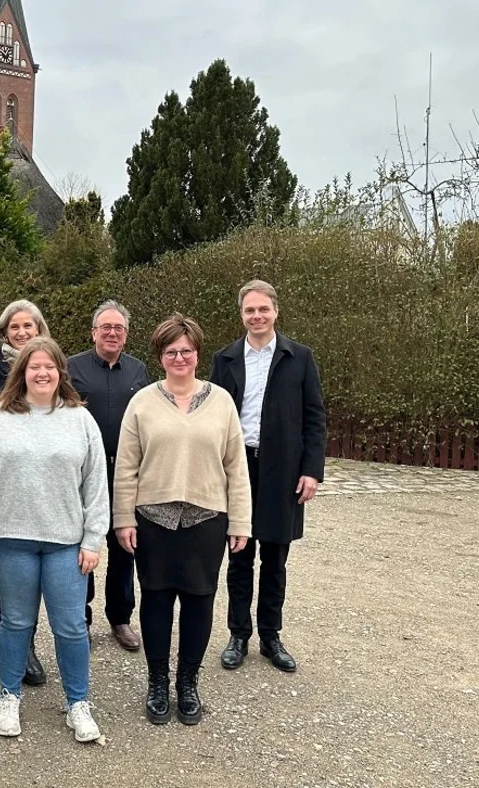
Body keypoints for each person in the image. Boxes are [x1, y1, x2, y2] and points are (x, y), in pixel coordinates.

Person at [113, 314, 252, 726]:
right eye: (171, 351)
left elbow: (236, 467)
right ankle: (157, 682)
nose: (180, 357)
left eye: (186, 350)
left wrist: (240, 521)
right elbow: (126, 467)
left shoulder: (222, 401)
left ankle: (188, 683)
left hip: (206, 519)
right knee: (155, 601)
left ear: (197, 353)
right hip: (152, 518)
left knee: (198, 602)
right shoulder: (142, 403)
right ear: (161, 355)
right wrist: (124, 518)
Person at [0, 337, 109, 743]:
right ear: (22, 372)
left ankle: (78, 702)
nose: (42, 373)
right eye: (34, 367)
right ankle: (9, 695)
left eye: (50, 367)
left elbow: (96, 484)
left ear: (60, 372)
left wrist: (93, 538)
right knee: (15, 622)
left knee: (70, 626)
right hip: (11, 539)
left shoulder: (80, 419)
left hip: (66, 541)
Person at [211, 280, 327, 674]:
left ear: (276, 311)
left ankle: (270, 636)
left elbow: (315, 417)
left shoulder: (300, 358)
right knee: (239, 555)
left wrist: (312, 470)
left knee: (275, 558)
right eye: (249, 310)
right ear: (241, 314)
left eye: (263, 309)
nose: (256, 316)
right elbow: (212, 419)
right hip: (238, 467)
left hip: (283, 469)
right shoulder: (224, 359)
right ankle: (238, 634)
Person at [0, 299, 50, 686]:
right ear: (4, 332)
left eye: (28, 327)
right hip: (5, 486)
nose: (22, 333)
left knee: (34, 578)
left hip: (41, 489)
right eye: (15, 327)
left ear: (39, 330)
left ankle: (29, 647)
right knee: (2, 576)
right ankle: (1, 650)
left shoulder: (50, 365)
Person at [67, 300, 150, 651]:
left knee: (124, 546)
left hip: (127, 472)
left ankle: (120, 618)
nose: (112, 333)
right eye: (106, 327)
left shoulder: (139, 371)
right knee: (82, 546)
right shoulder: (72, 368)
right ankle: (80, 619)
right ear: (94, 332)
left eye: (119, 328)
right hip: (84, 474)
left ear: (126, 334)